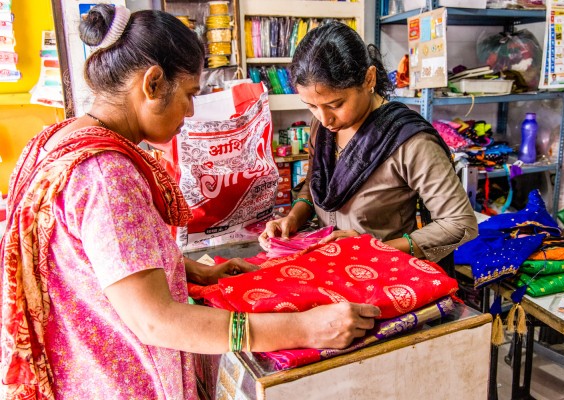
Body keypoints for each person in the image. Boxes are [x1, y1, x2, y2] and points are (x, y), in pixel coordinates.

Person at [0, 6, 380, 399]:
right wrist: (305, 328)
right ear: (152, 84)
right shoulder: (106, 174)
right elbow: (157, 322)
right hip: (118, 380)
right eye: (189, 95)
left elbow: (98, 256)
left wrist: (195, 272)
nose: (191, 111)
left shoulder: (57, 141)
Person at [259, 22, 478, 265]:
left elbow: (459, 223)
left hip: (384, 273)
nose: (324, 118)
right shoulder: (321, 127)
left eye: (336, 104)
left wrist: (372, 249)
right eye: (311, 106)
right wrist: (293, 218)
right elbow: (315, 181)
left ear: (369, 78)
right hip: (329, 266)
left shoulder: (410, 142)